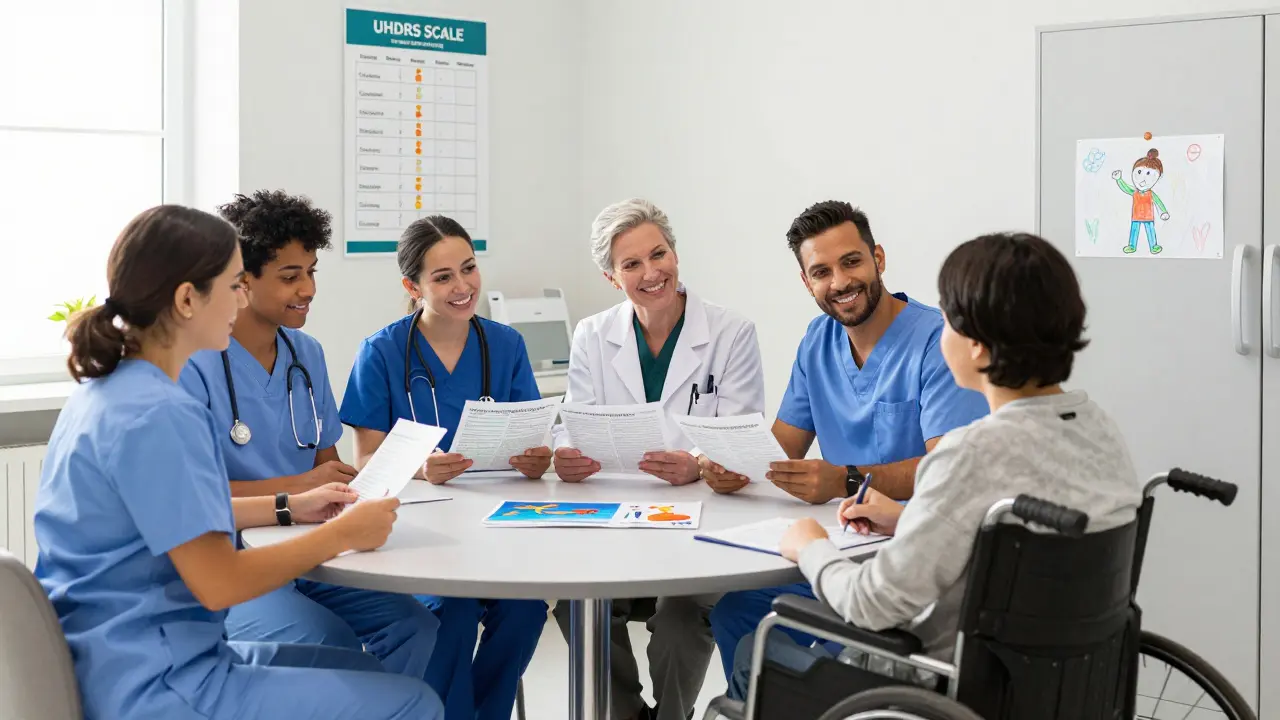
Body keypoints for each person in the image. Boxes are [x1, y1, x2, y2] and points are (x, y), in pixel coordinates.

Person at [33, 205, 442, 720]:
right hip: (156, 682)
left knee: (364, 672)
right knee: (414, 703)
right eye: (232, 286)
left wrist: (290, 505)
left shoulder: (111, 390)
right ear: (187, 299)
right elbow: (220, 582)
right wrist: (342, 533)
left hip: (128, 657)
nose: (241, 299)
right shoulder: (159, 413)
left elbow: (177, 514)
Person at [725, 231, 1144, 699]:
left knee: (752, 653)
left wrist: (811, 546)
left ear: (976, 345)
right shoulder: (1100, 429)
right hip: (1061, 689)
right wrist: (909, 518)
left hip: (935, 688)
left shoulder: (970, 454)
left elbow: (869, 603)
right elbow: (1022, 544)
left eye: (947, 316)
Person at [704, 200, 988, 678]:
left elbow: (947, 469)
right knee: (737, 612)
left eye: (851, 262)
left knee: (810, 652)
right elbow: (783, 447)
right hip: (840, 542)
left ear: (878, 258)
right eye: (821, 272)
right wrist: (735, 466)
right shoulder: (817, 341)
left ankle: (824, 698)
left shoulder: (938, 342)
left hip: (908, 552)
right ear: (806, 282)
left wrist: (845, 479)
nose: (839, 282)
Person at [177, 190, 440, 681]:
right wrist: (301, 488)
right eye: (290, 276)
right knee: (328, 641)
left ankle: (392, 711)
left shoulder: (307, 353)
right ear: (241, 281)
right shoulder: (194, 363)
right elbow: (193, 499)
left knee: (415, 626)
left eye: (312, 272)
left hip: (309, 543)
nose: (309, 288)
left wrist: (358, 490)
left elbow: (328, 468)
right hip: (228, 555)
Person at [549, 198, 766, 720]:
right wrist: (565, 455)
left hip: (701, 517)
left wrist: (698, 461)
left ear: (675, 252)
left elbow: (740, 435)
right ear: (611, 277)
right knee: (577, 609)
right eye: (632, 264)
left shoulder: (731, 332)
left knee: (679, 620)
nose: (651, 272)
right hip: (618, 518)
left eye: (658, 254)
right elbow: (572, 423)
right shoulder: (592, 335)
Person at [339, 215, 548, 720]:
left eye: (469, 268)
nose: (463, 286)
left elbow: (529, 433)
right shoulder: (382, 351)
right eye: (443, 277)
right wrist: (421, 468)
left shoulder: (505, 345)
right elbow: (365, 461)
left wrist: (536, 459)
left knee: (526, 610)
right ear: (413, 287)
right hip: (418, 530)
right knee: (449, 613)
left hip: (495, 525)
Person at [1112, 148, 1170, 255]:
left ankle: (1153, 246)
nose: (1142, 179)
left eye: (1148, 174)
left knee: (1150, 230)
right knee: (1134, 231)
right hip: (1136, 216)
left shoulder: (1151, 194)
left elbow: (1158, 202)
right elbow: (1125, 188)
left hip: (1148, 217)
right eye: (1139, 172)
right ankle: (1132, 246)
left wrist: (1163, 212)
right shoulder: (1134, 191)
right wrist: (1119, 179)